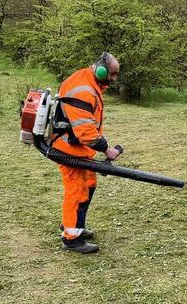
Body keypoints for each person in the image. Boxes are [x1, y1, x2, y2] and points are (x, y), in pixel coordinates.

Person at [51, 52, 121, 253]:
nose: (114, 79)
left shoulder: (89, 81)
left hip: (79, 150)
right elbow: (86, 132)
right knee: (77, 191)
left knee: (89, 184)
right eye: (113, 74)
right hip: (68, 150)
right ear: (100, 70)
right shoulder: (83, 89)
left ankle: (75, 224)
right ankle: (71, 238)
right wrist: (107, 149)